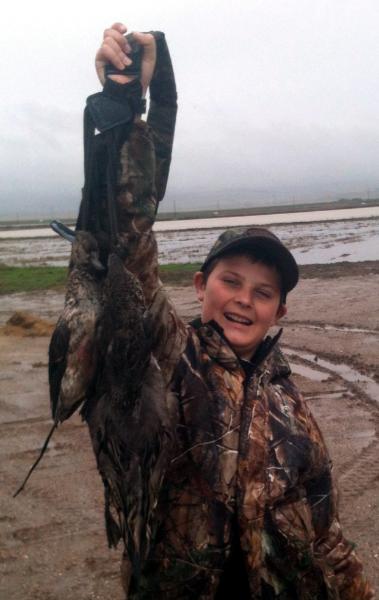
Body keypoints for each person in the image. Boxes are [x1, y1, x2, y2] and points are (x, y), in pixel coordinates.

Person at [88, 22, 373, 599]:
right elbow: (129, 241)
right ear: (199, 285)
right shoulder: (171, 359)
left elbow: (327, 533)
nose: (244, 298)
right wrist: (127, 110)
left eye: (263, 291)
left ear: (280, 309)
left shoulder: (292, 407)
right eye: (231, 281)